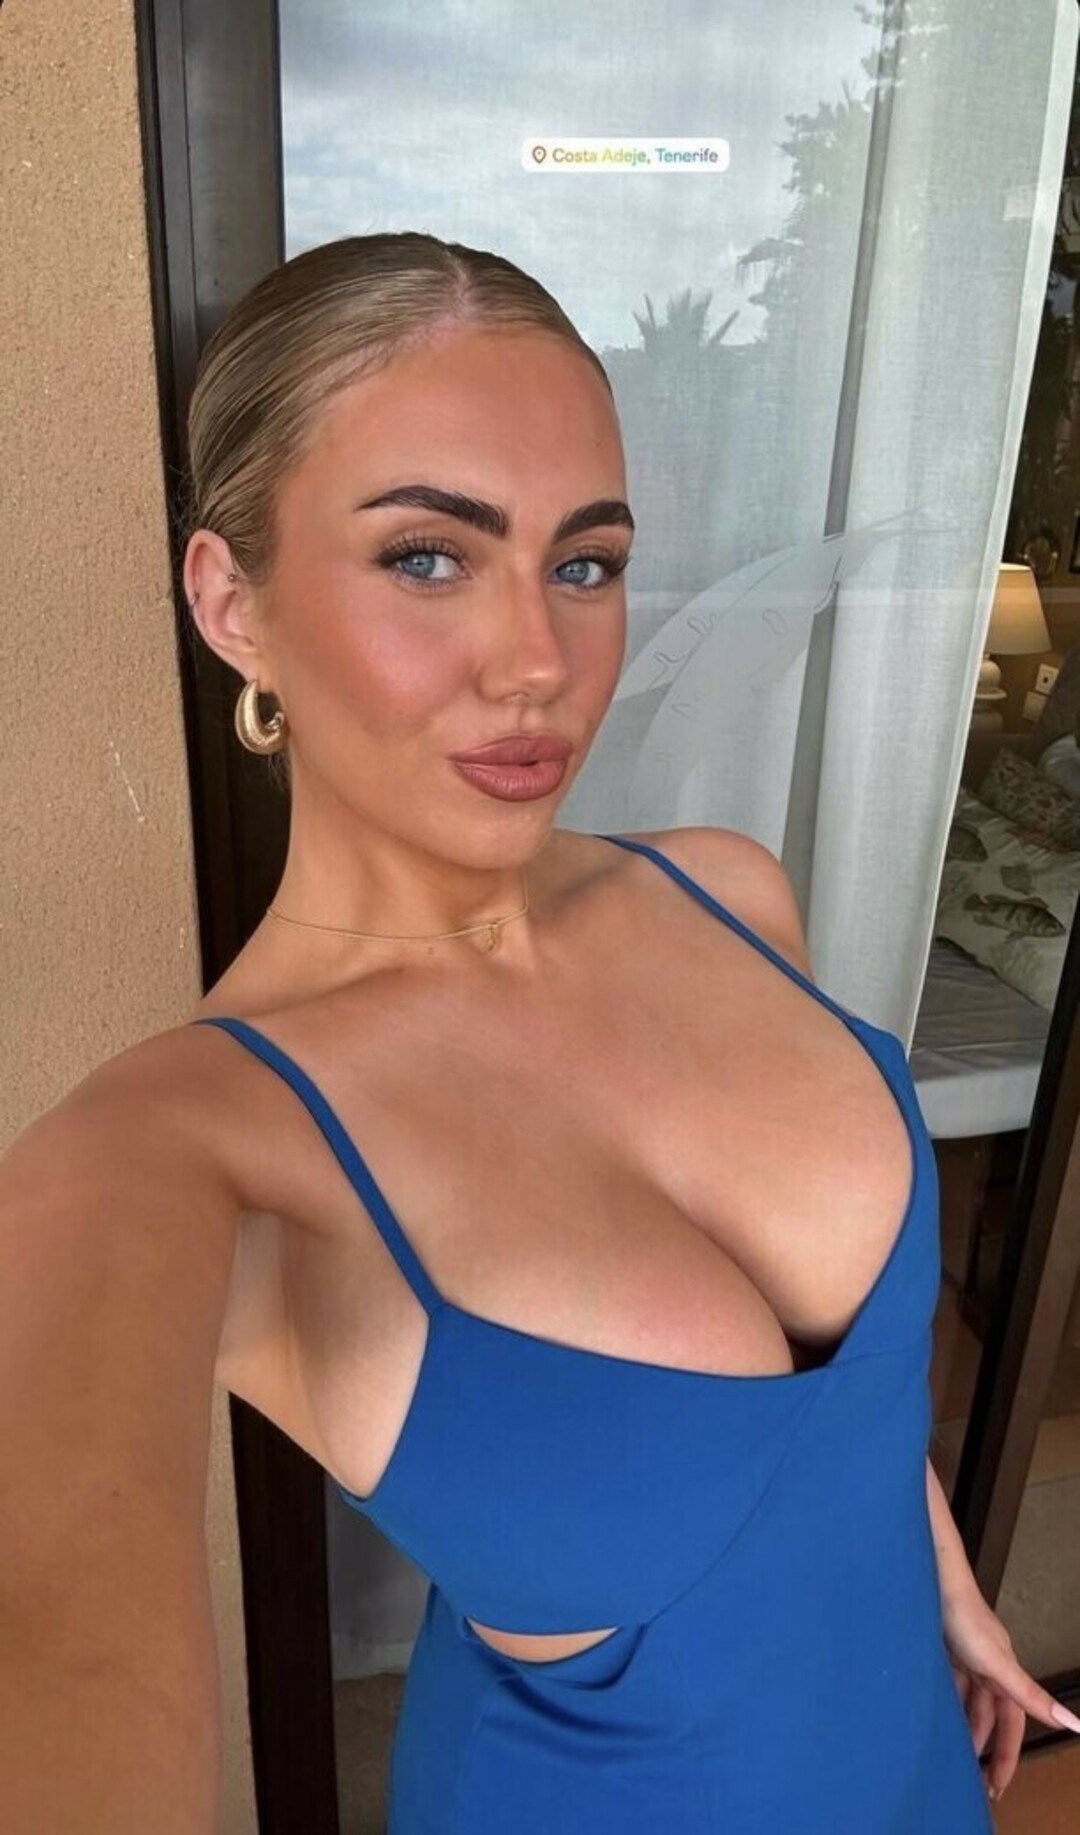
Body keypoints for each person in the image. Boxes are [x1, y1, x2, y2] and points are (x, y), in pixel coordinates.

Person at [2, 231, 1076, 1833]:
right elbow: (61, 1649)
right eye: (428, 557)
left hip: (918, 1770)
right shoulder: (179, 1150)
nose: (538, 664)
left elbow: (837, 1400)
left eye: (584, 564)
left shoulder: (728, 893)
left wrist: (936, 1578)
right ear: (233, 603)